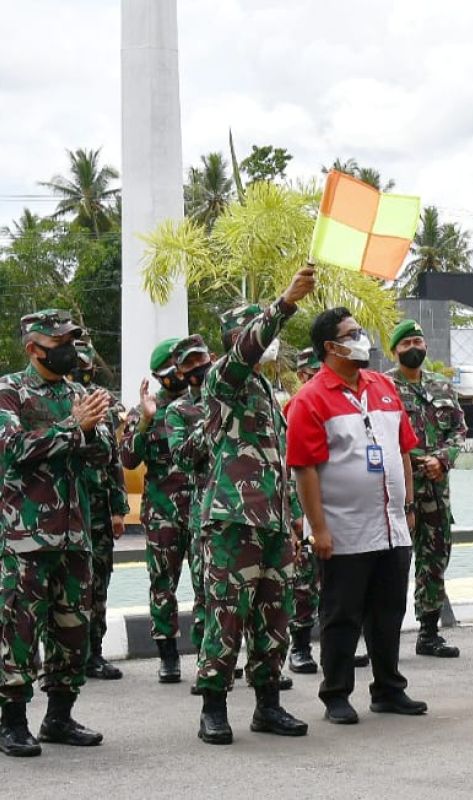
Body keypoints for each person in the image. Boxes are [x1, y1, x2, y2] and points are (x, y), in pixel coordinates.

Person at [287, 308, 428, 725]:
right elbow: (304, 468)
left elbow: (402, 448)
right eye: (352, 333)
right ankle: (336, 695)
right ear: (331, 347)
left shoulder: (383, 385)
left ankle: (388, 690)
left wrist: (409, 504)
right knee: (342, 614)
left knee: (389, 613)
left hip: (392, 525)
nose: (362, 337)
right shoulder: (310, 398)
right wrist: (319, 529)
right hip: (344, 529)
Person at [193, 266, 315, 745]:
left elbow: (280, 463)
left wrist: (294, 523)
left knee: (274, 618)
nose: (268, 341)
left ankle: (268, 705)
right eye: (256, 330)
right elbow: (248, 346)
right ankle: (213, 707)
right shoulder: (224, 377)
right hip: (231, 519)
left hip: (272, 522)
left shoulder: (266, 391)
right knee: (226, 616)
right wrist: (284, 302)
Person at [0, 309, 113, 757]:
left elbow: (104, 453)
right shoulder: (10, 391)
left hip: (75, 535)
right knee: (19, 629)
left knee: (72, 629)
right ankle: (11, 722)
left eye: (71, 339)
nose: (68, 348)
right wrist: (73, 428)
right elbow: (12, 450)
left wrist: (90, 431)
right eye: (59, 341)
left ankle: (59, 717)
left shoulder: (78, 393)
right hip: (25, 536)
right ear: (34, 347)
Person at [387, 319, 467, 658]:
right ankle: (383, 635)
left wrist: (442, 459)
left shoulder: (443, 388)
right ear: (394, 351)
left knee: (435, 558)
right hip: (397, 490)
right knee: (391, 562)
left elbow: (459, 430)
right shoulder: (383, 387)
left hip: (436, 488)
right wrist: (416, 460)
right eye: (406, 344)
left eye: (418, 341)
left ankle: (429, 633)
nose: (414, 348)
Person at [120, 336, 193, 683]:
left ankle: (213, 652)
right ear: (163, 374)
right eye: (174, 370)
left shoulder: (203, 403)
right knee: (163, 583)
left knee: (211, 584)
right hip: (163, 510)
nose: (180, 375)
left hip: (203, 506)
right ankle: (168, 655)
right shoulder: (145, 410)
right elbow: (128, 458)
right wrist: (146, 421)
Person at [160, 335, 217, 694]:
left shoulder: (234, 397)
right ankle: (205, 661)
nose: (197, 367)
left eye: (201, 359)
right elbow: (182, 457)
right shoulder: (178, 411)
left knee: (221, 594)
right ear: (180, 371)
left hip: (243, 510)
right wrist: (211, 419)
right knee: (203, 589)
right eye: (189, 364)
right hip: (205, 509)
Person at [73, 339, 130, 681]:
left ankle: (94, 653)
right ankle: (60, 660)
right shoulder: (56, 401)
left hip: (97, 512)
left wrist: (118, 509)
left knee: (98, 586)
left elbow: (114, 462)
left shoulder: (104, 403)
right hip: (61, 510)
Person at [284, 346, 321, 675]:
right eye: (312, 373)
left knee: (339, 582)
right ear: (301, 376)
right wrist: (296, 512)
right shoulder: (293, 409)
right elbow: (286, 468)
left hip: (334, 507)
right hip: (301, 512)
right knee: (303, 583)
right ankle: (300, 647)